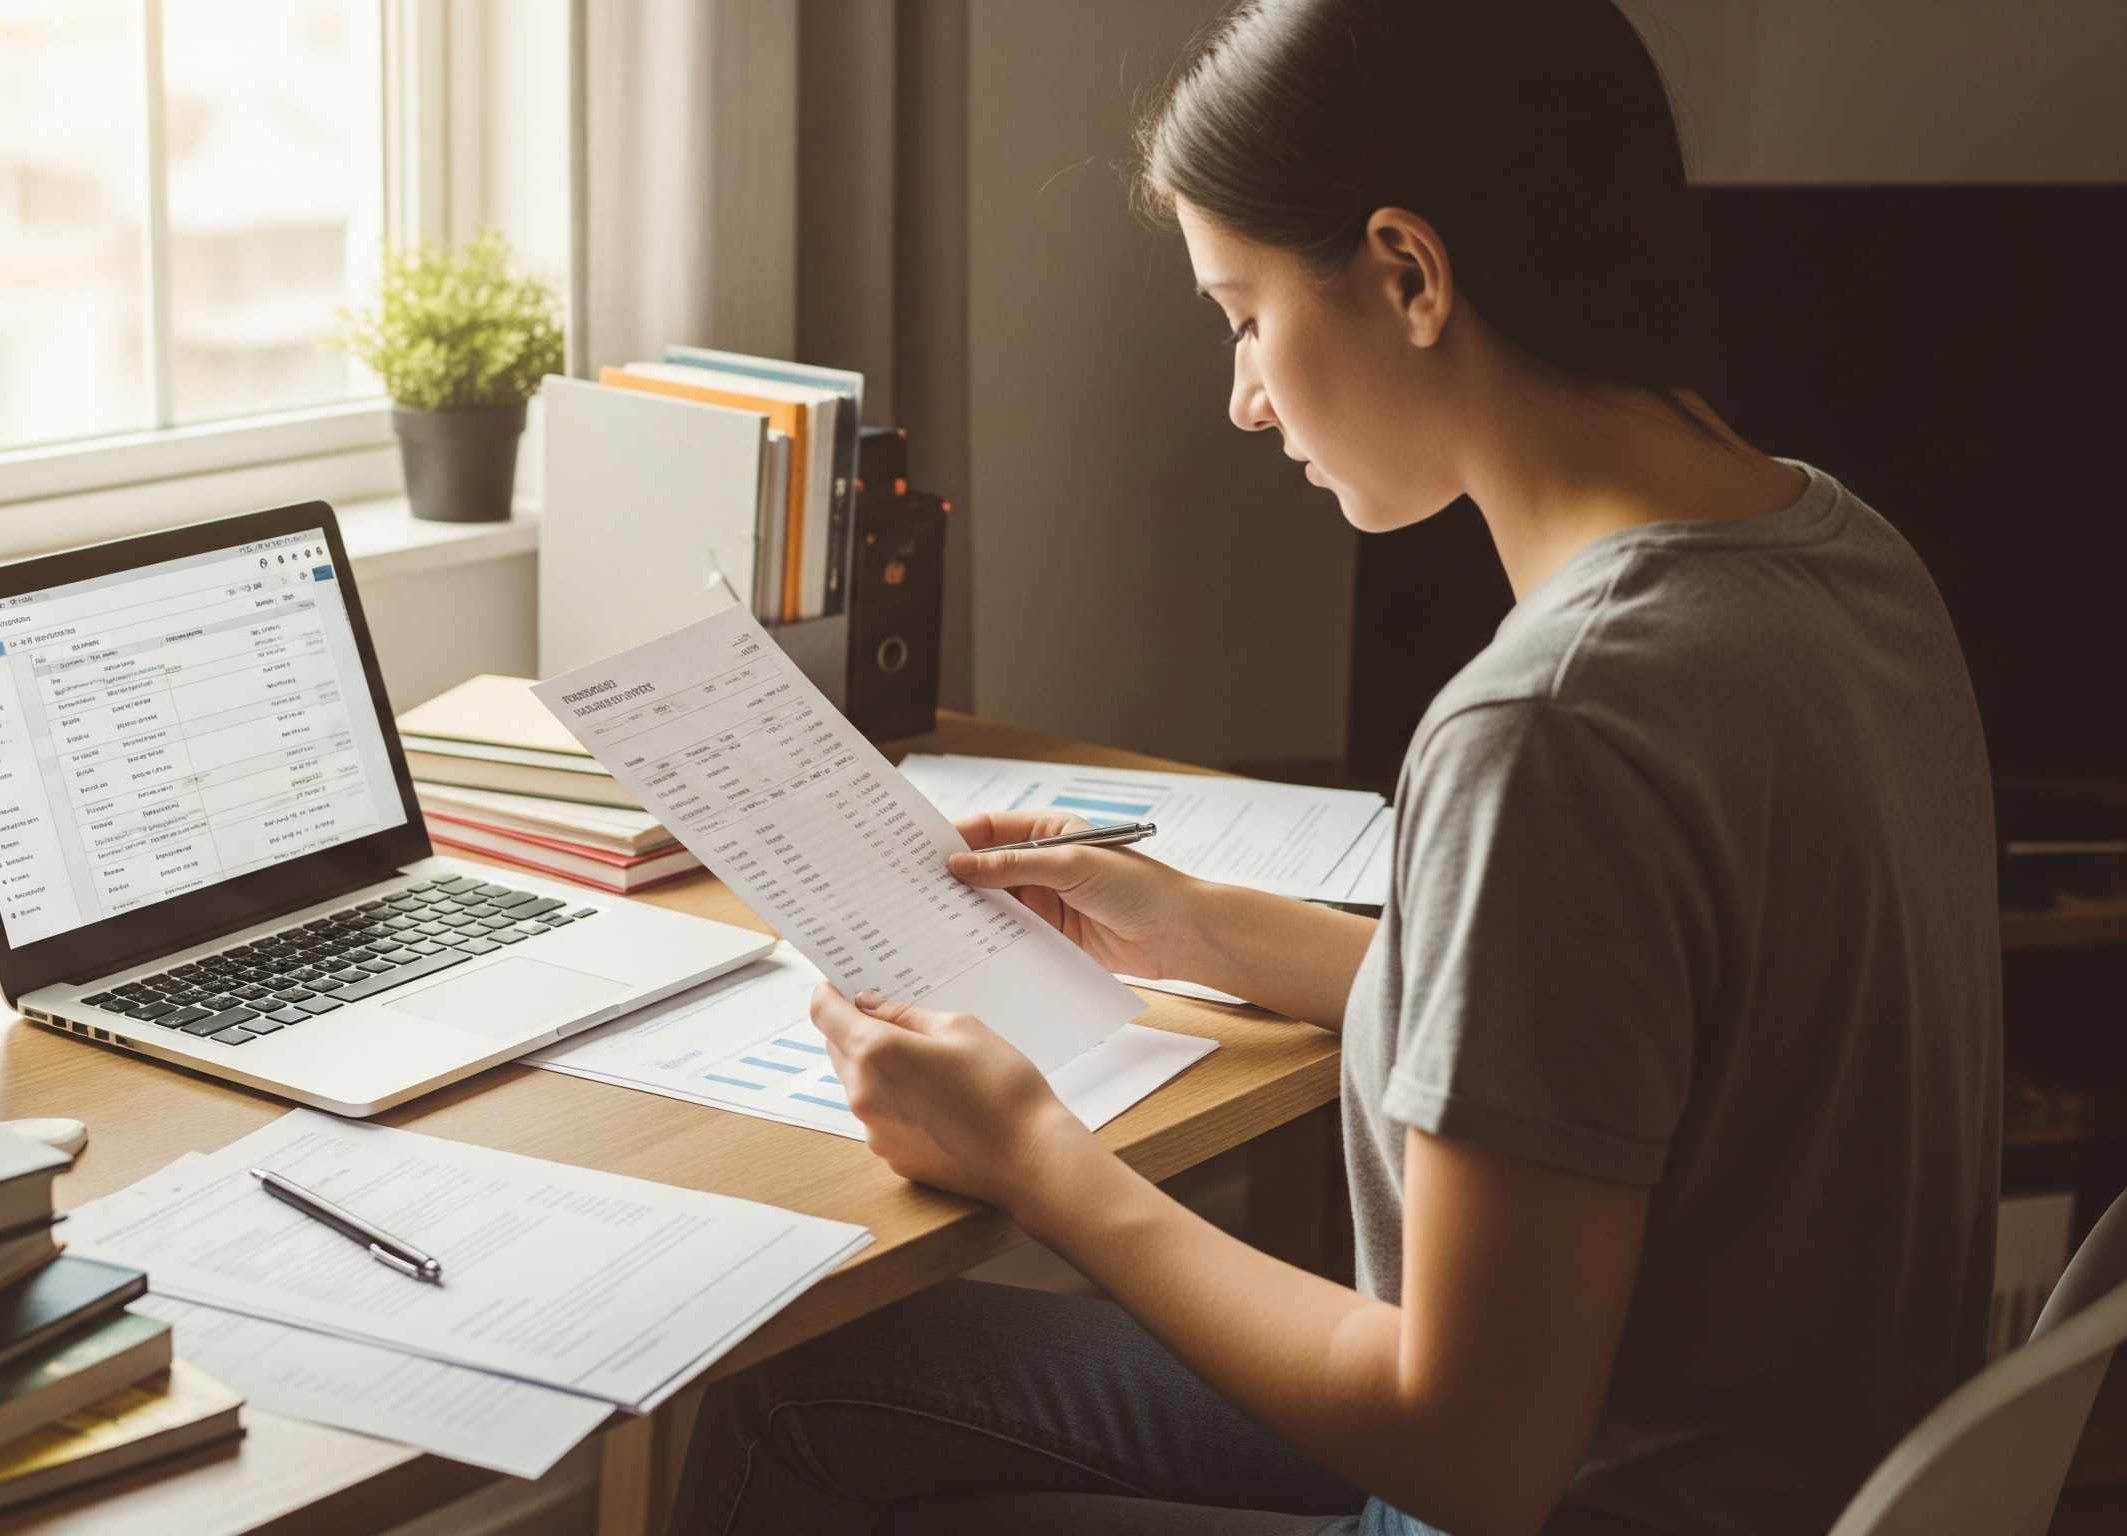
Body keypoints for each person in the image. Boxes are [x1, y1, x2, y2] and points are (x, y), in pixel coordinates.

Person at [669, 2, 2002, 1533]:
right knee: (836, 1377)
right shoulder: (1842, 552)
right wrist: (1200, 929)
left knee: (786, 1399)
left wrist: (1034, 1156)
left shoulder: (1552, 724)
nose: (1243, 393)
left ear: (1410, 275)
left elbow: (1468, 1451)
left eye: (1244, 313)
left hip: (1554, 1489)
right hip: (1770, 1464)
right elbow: (1634, 1053)